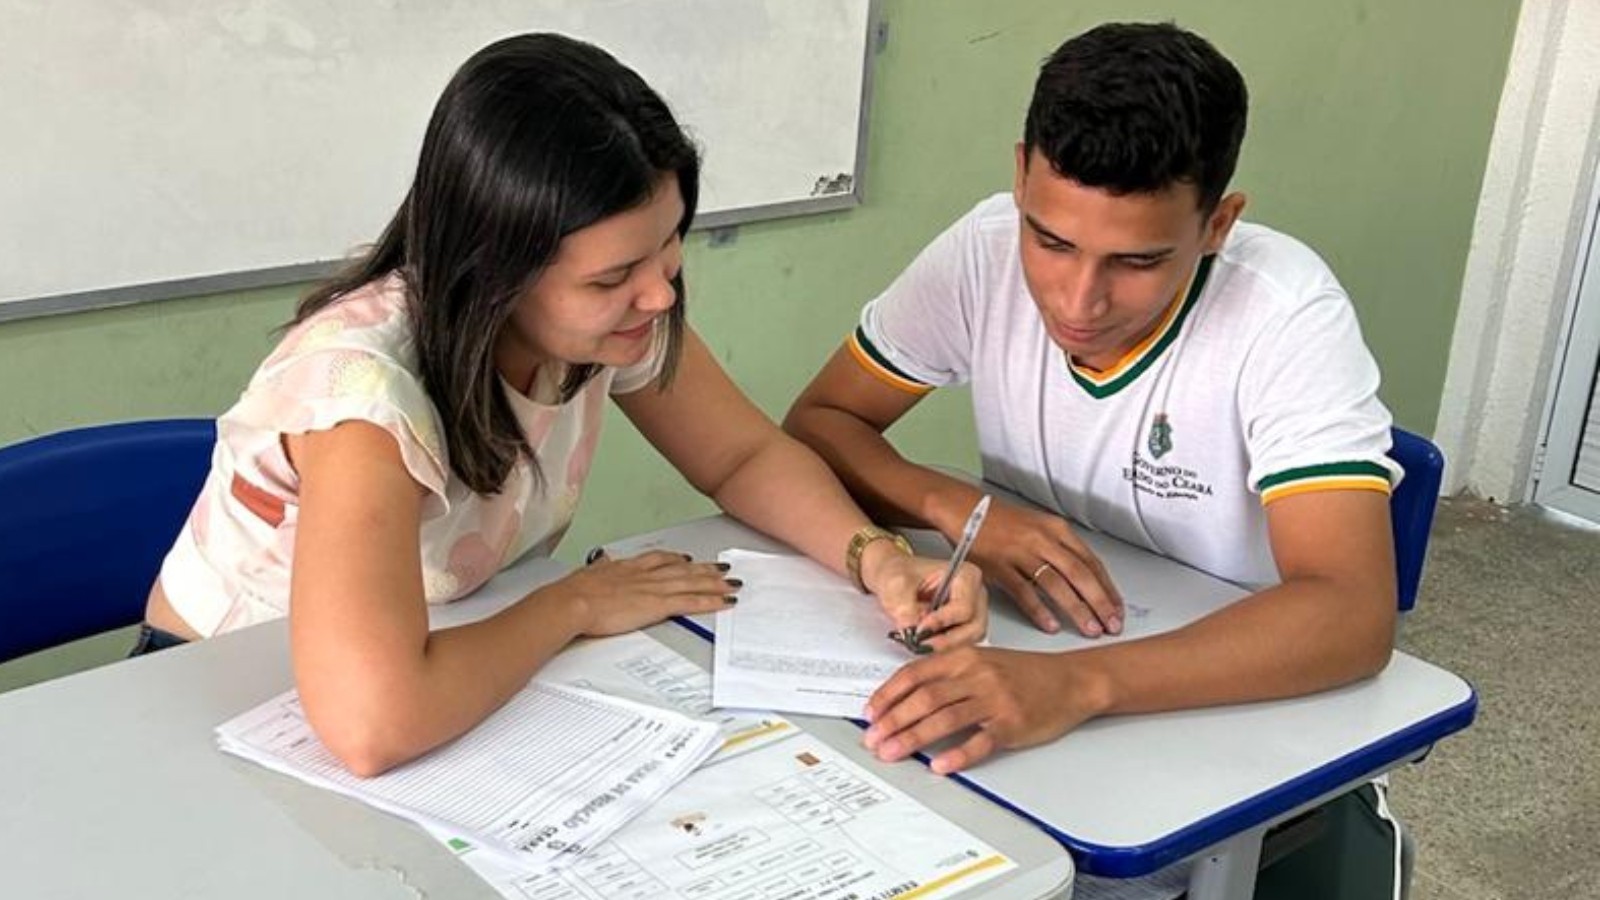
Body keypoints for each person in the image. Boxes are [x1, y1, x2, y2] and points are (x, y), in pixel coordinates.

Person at [138, 33, 986, 777]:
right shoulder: (363, 401)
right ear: (495, 270)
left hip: (437, 661)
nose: (657, 295)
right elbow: (372, 724)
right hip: (226, 701)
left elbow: (742, 457)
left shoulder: (605, 327)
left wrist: (873, 556)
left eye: (670, 244)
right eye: (612, 277)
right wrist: (574, 604)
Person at [784, 24, 1407, 896]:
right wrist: (963, 513)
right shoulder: (982, 250)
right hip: (1026, 677)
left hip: (1220, 714)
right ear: (1019, 178)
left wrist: (1077, 685)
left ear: (1220, 224)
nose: (1077, 299)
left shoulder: (1285, 314)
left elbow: (1352, 614)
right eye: (1051, 241)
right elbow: (819, 421)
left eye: (1139, 260)